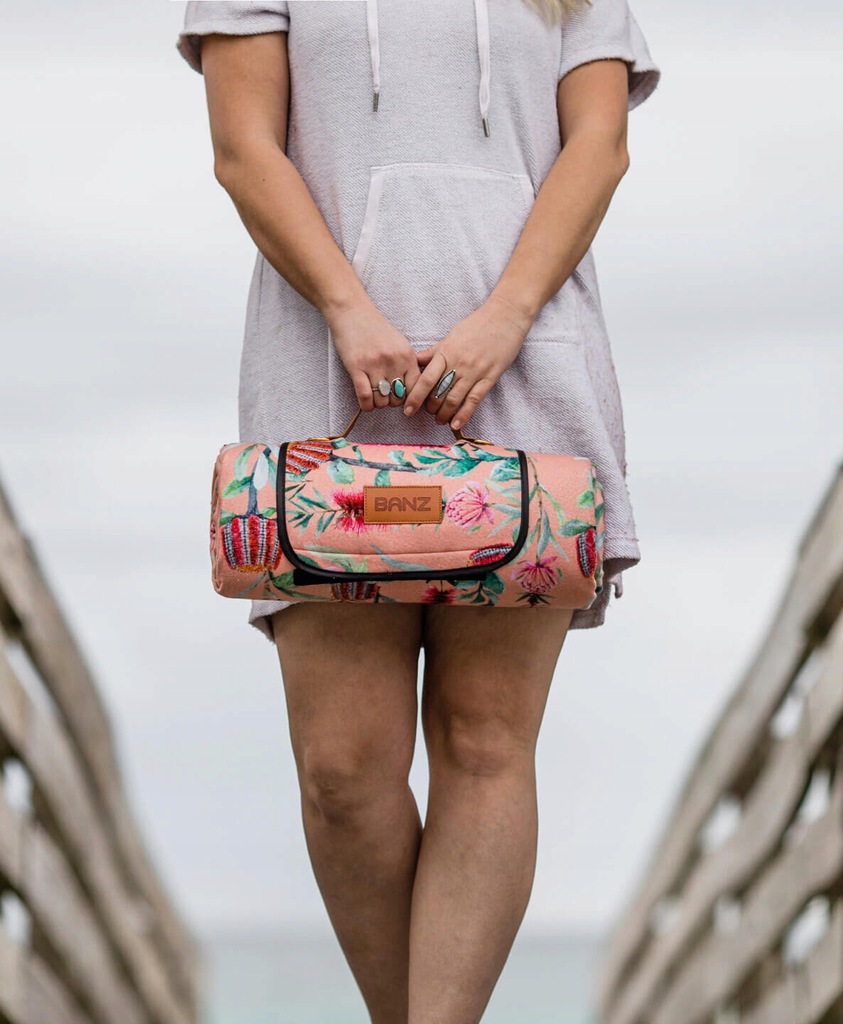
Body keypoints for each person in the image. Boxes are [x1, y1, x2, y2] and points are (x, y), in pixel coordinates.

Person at [176, 1, 660, 1020]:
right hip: (326, 368)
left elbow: (599, 144)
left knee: (485, 742)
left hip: (523, 363)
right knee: (341, 772)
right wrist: (348, 308)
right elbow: (242, 146)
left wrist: (504, 319)